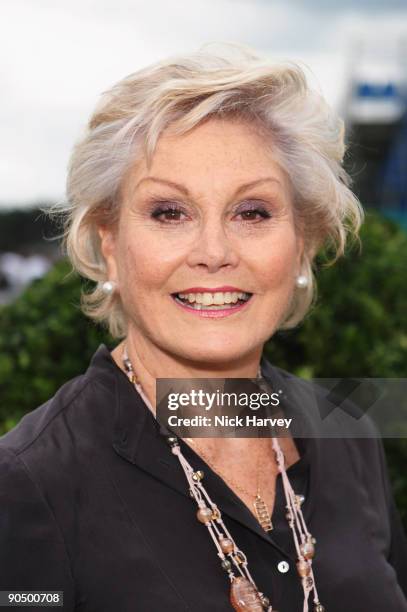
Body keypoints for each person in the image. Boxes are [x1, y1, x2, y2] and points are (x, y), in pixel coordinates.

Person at [0, 43, 406, 612]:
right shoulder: (26, 485)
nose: (214, 252)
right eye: (169, 212)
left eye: (252, 212)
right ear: (110, 245)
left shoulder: (349, 431)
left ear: (302, 247)